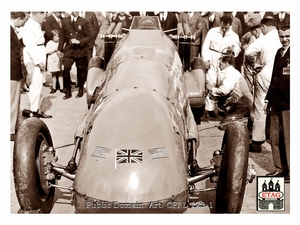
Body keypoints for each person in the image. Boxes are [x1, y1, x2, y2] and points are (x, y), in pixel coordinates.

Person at [244, 17, 281, 152]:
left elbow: (248, 52)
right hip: (281, 76)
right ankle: (272, 135)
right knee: (277, 107)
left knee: (260, 107)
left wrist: (255, 63)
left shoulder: (264, 39)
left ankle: (257, 141)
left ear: (264, 27)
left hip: (265, 75)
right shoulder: (283, 37)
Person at [201, 15, 241, 118]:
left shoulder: (234, 36)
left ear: (230, 25)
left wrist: (234, 49)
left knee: (222, 83)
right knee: (211, 81)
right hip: (213, 58)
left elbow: (237, 49)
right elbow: (205, 46)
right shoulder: (213, 32)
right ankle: (208, 109)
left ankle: (221, 108)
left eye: (226, 28)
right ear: (220, 23)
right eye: (222, 27)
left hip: (224, 61)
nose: (223, 29)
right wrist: (206, 60)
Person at [264, 25, 290, 182]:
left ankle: (292, 171)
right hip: (276, 101)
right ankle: (279, 168)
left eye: (288, 36)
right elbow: (274, 77)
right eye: (282, 36)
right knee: (275, 138)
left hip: (289, 102)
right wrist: (268, 99)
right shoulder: (279, 52)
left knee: (289, 139)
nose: (285, 39)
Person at [206, 48, 252, 130]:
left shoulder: (232, 73)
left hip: (243, 105)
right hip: (239, 104)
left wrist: (212, 89)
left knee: (224, 126)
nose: (219, 65)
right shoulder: (228, 73)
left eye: (220, 63)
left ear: (226, 63)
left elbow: (224, 90)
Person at [21, 12, 52, 118]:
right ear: (38, 14)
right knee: (35, 84)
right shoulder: (29, 26)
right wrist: (38, 61)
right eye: (43, 14)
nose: (45, 17)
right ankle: (32, 111)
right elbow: (30, 46)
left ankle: (36, 109)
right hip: (33, 58)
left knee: (39, 85)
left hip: (39, 53)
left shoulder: (36, 25)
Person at [58, 11, 91, 99]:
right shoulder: (65, 21)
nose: (76, 11)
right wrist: (59, 49)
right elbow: (62, 37)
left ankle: (80, 89)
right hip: (69, 50)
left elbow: (88, 36)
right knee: (65, 70)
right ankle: (68, 91)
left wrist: (79, 41)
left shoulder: (84, 21)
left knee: (81, 71)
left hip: (80, 50)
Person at [10, 12, 28, 141]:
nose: (23, 25)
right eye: (23, 22)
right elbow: (14, 54)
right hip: (12, 71)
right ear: (18, 19)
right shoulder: (8, 29)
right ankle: (10, 130)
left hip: (11, 71)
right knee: (12, 101)